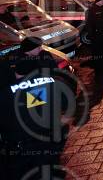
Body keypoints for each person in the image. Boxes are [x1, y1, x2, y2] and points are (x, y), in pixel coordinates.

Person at [0, 37, 69, 179]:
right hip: (48, 143)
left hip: (23, 150)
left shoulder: (7, 93)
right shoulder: (49, 82)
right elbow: (64, 105)